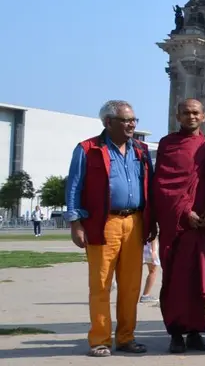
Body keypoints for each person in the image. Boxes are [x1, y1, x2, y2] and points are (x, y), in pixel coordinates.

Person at [66, 99, 155, 357]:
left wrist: (151, 222)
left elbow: (149, 186)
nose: (131, 125)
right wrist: (75, 223)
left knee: (131, 286)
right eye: (125, 120)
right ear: (108, 122)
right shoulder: (88, 149)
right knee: (101, 283)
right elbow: (74, 186)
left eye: (133, 120)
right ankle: (100, 339)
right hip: (103, 223)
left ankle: (126, 337)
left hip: (135, 222)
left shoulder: (140, 150)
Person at [151, 98, 205, 353]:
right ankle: (176, 333)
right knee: (176, 281)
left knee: (201, 281)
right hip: (178, 226)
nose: (191, 117)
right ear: (178, 116)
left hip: (202, 226)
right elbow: (163, 185)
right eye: (185, 113)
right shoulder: (168, 145)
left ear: (203, 116)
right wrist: (184, 211)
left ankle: (195, 333)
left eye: (195, 113)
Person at [140, 239, 160, 303]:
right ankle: (145, 295)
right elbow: (152, 233)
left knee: (135, 271)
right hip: (149, 245)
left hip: (138, 244)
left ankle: (129, 294)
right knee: (153, 270)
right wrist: (154, 250)